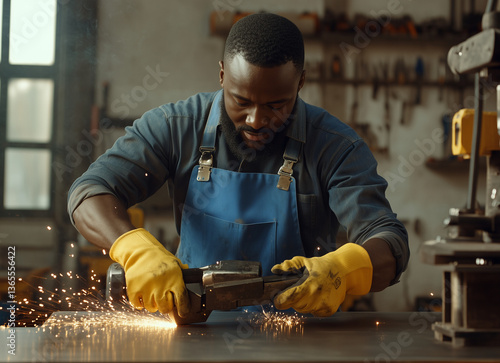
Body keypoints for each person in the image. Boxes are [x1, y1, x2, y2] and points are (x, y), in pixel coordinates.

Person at [68, 13, 409, 318]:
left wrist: (346, 269)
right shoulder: (176, 127)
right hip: (191, 331)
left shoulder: (335, 146)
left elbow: (389, 239)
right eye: (241, 101)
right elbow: (89, 191)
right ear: (221, 75)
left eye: (276, 105)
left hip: (299, 340)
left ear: (301, 82)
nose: (257, 120)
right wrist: (132, 247)